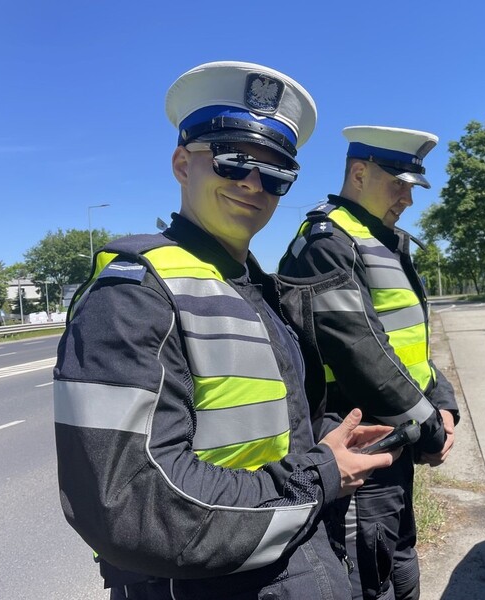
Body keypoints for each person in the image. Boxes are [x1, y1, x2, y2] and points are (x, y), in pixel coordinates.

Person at [53, 61, 400, 600]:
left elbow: (278, 430)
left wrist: (333, 438)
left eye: (278, 172)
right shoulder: (132, 295)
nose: (253, 184)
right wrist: (319, 476)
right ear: (181, 164)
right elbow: (131, 503)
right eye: (233, 160)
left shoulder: (257, 290)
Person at [278, 126, 459, 600]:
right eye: (398, 183)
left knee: (399, 567)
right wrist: (430, 426)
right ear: (358, 173)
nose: (408, 199)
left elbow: (409, 345)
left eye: (411, 187)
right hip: (361, 444)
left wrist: (444, 403)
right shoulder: (328, 242)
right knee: (369, 578)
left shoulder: (379, 239)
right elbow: (363, 354)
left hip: (398, 438)